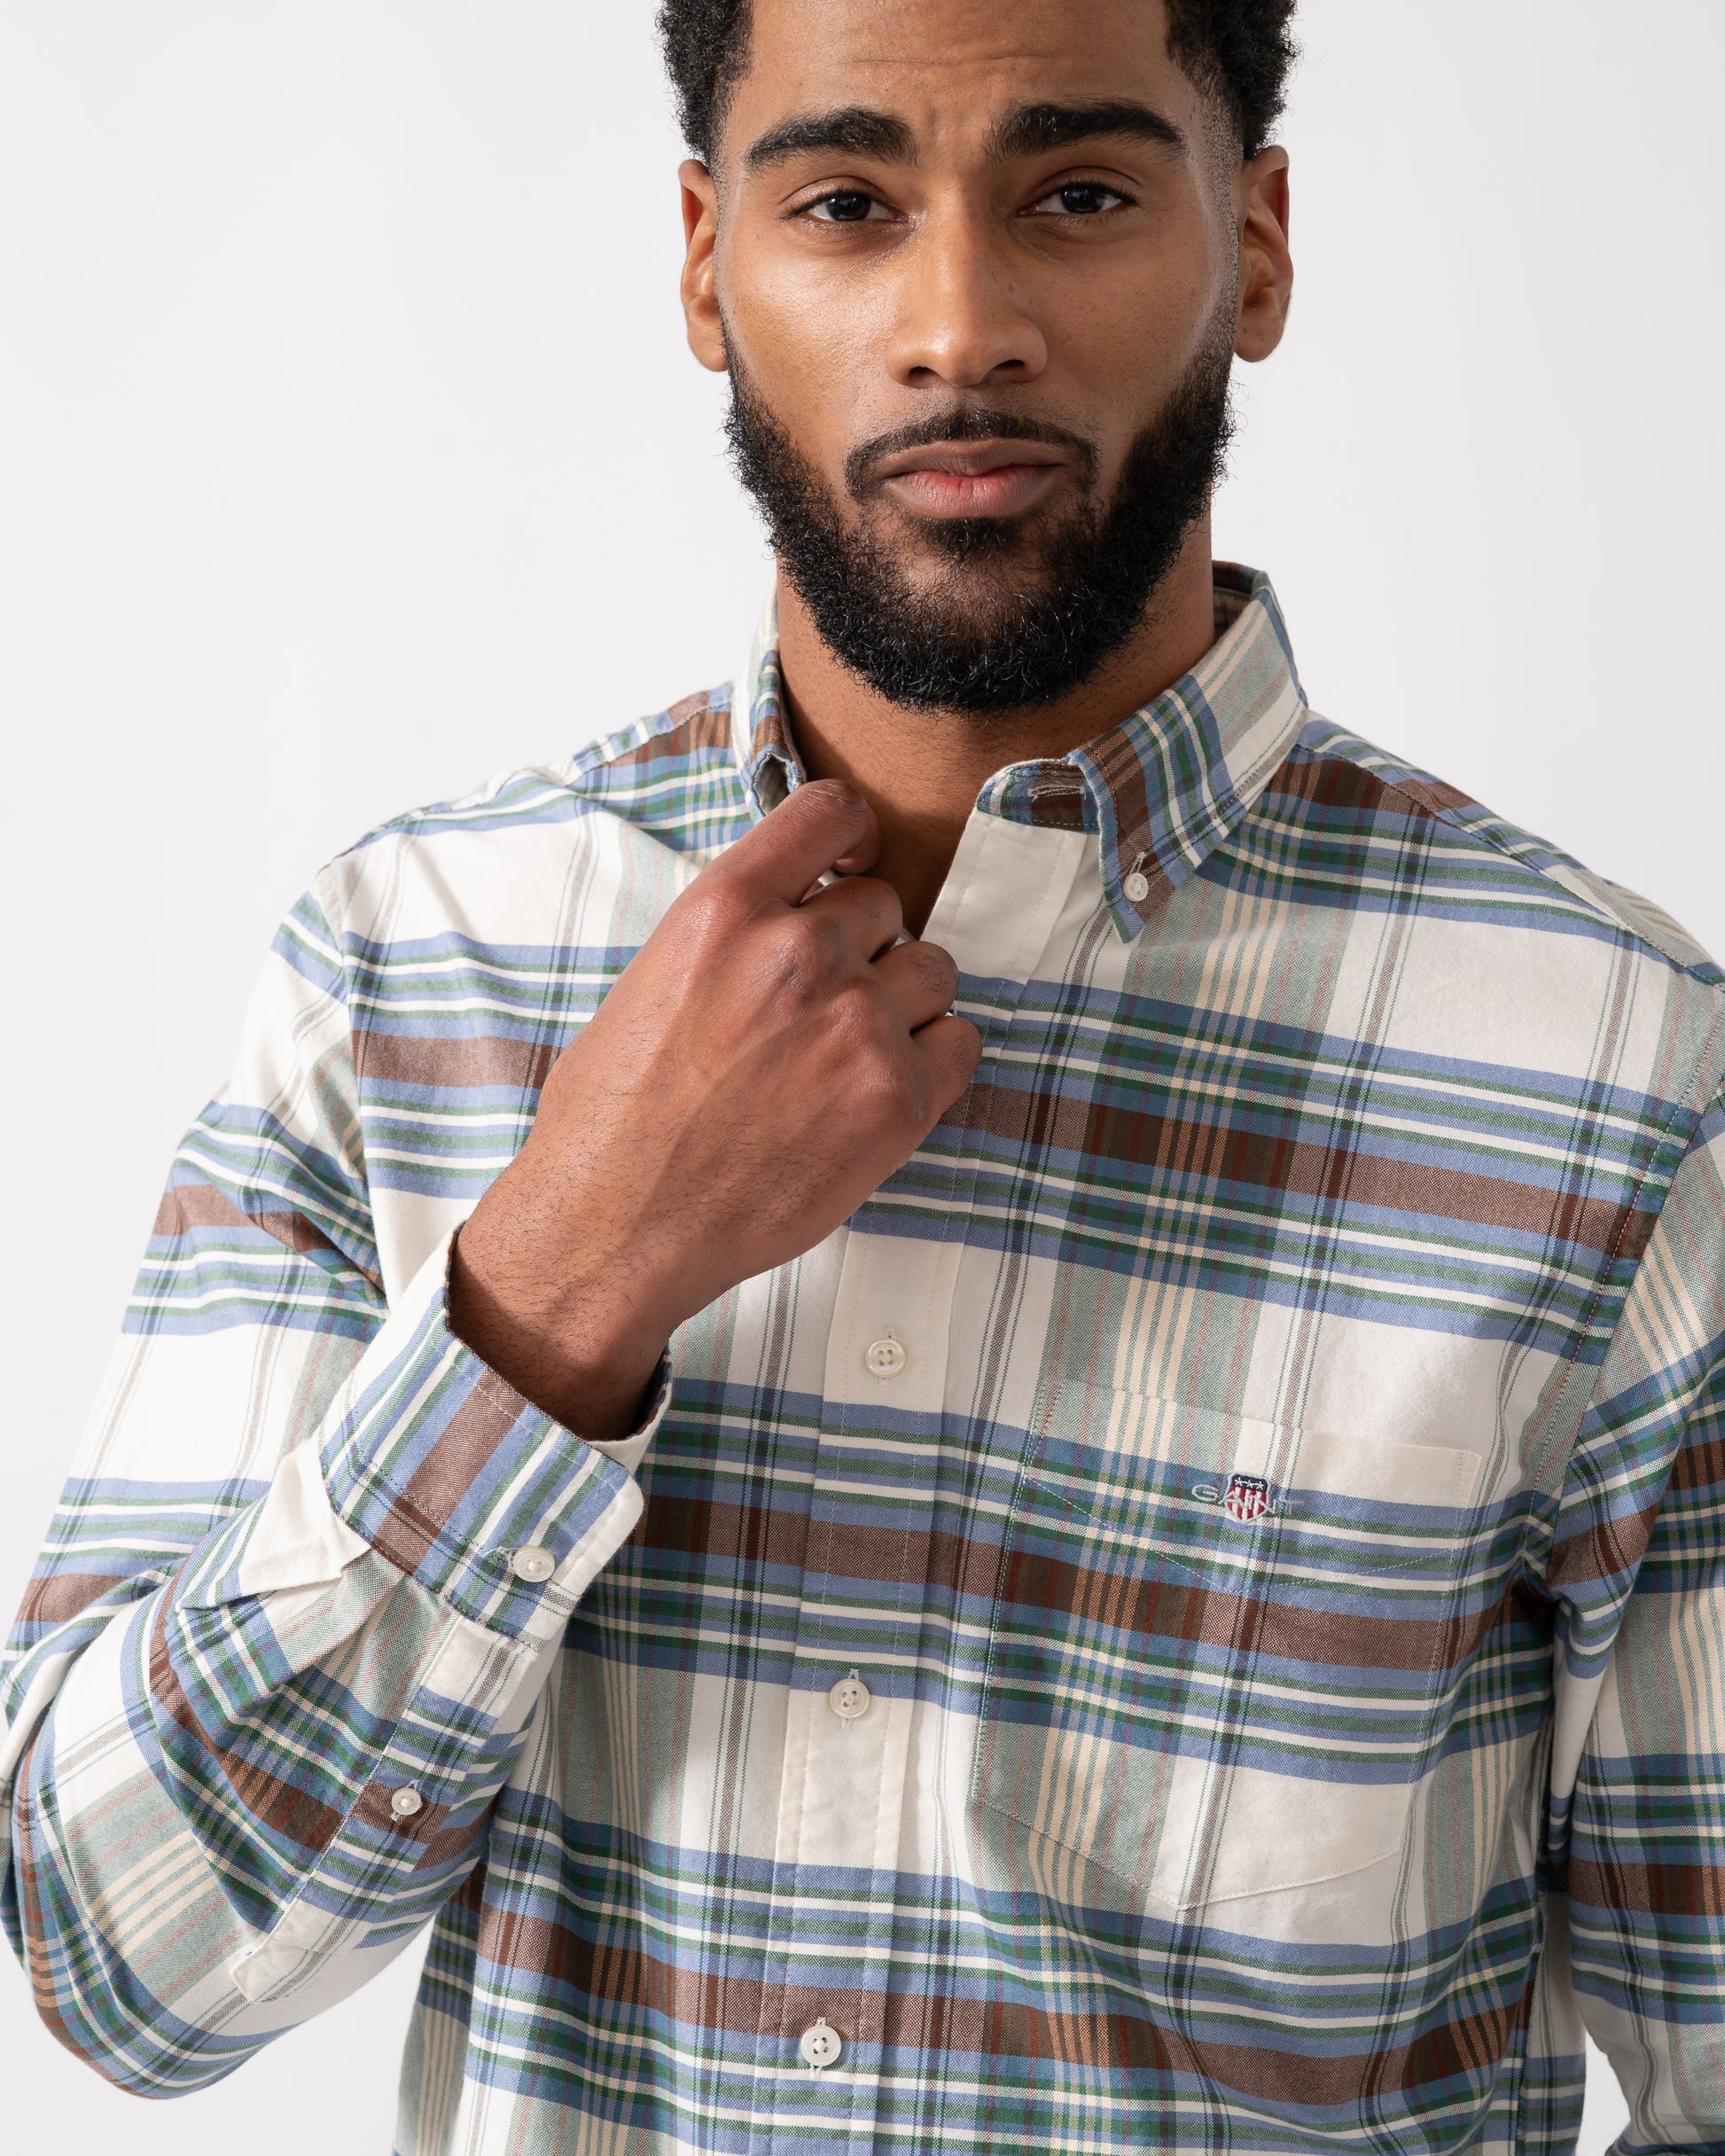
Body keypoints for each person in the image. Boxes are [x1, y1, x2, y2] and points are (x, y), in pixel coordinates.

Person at [4, 0, 1721, 2148]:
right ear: (707, 264)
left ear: (1255, 245)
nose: (959, 323)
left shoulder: (1621, 1076)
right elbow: (120, 1956)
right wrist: (554, 1285)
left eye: (1076, 194)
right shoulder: (409, 965)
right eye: (845, 204)